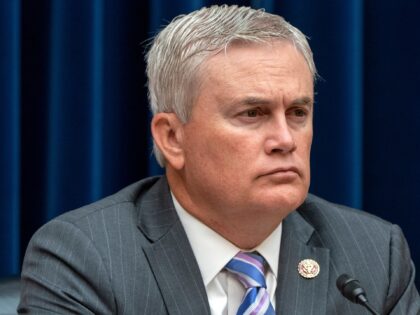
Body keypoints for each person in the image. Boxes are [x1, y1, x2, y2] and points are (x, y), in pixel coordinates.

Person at [18, 5, 419, 315]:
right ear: (172, 138)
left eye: (298, 113)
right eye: (252, 114)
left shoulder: (372, 255)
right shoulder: (85, 257)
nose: (284, 139)